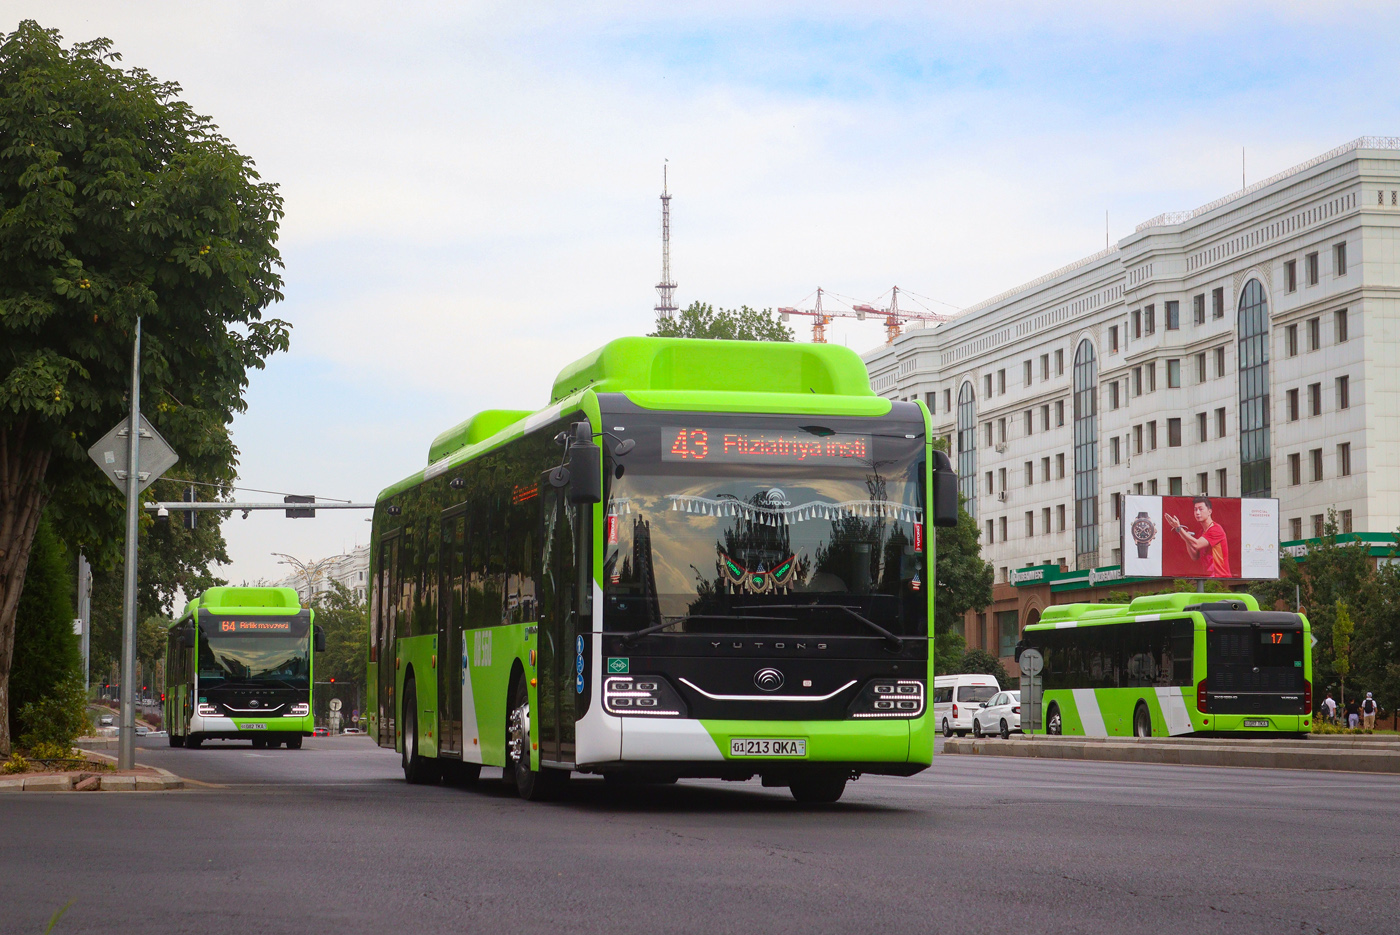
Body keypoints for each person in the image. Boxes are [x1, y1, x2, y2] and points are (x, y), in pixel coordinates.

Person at [1164, 497, 1231, 578]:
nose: (1197, 512)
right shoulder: (1201, 533)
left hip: (1220, 578)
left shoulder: (1216, 529)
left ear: (1209, 511)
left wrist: (1179, 529)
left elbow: (1196, 544)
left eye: (1200, 509)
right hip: (1207, 578)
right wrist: (1186, 537)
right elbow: (1194, 556)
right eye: (1195, 509)